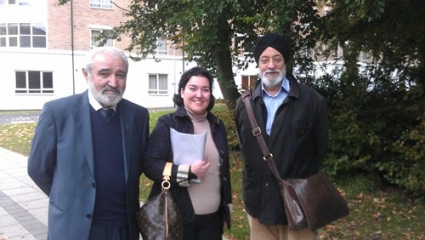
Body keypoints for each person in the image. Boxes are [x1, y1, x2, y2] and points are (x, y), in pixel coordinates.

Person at [27, 46, 150, 240]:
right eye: (104, 73)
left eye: (120, 74)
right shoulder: (57, 112)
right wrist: (69, 199)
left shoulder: (138, 116)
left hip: (124, 228)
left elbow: (141, 164)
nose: (113, 82)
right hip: (74, 228)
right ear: (86, 74)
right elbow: (38, 168)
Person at [234, 33, 329, 239]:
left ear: (285, 61)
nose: (271, 65)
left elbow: (320, 150)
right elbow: (245, 149)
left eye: (277, 59)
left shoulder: (312, 102)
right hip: (258, 205)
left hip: (299, 205)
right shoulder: (244, 104)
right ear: (258, 64)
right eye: (264, 59)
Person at [142, 66, 232, 240]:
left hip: (213, 219)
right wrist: (187, 172)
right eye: (193, 88)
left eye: (205, 89)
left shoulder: (217, 125)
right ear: (182, 91)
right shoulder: (168, 123)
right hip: (178, 218)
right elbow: (150, 165)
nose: (199, 94)